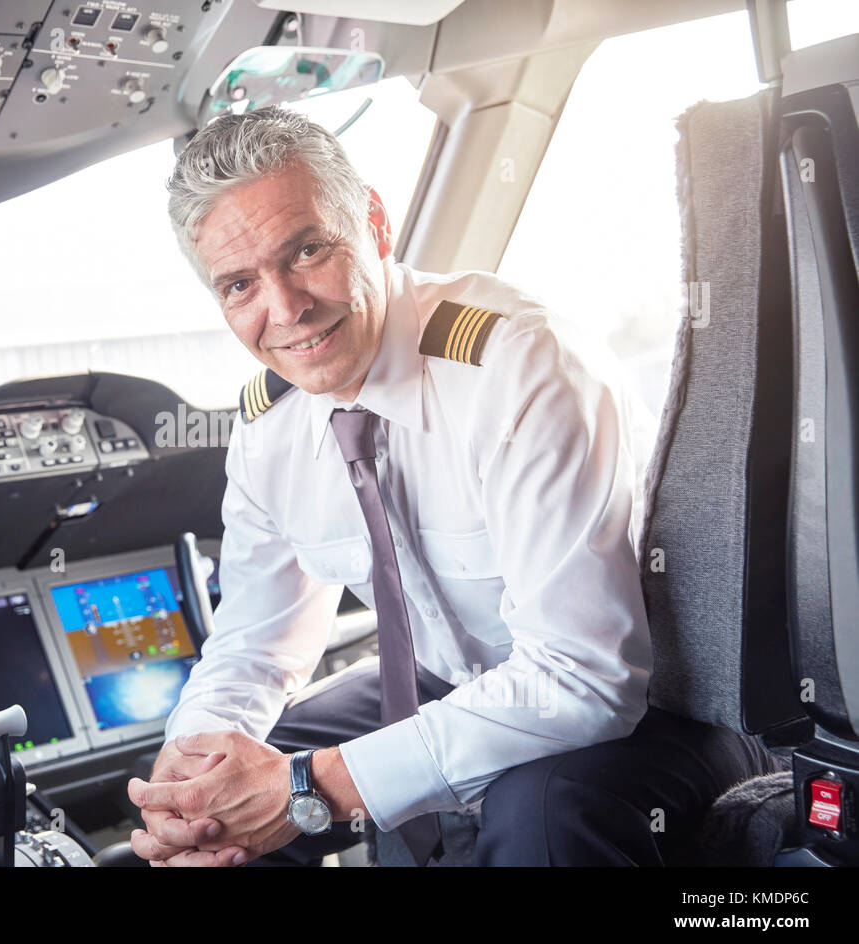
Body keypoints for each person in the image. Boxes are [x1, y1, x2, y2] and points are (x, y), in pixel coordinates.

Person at [126, 106, 776, 866]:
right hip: (454, 680)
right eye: (240, 285)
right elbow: (255, 643)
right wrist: (191, 769)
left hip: (661, 706)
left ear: (373, 221)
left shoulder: (519, 366)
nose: (286, 309)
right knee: (223, 787)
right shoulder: (269, 428)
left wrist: (315, 786)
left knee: (542, 810)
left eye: (306, 251)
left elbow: (584, 675)